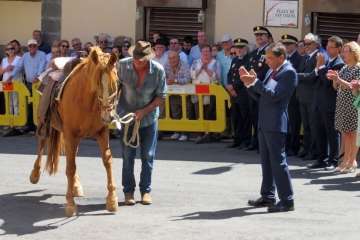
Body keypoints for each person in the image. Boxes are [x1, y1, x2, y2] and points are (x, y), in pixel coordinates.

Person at [240, 43, 296, 213]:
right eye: (267, 58)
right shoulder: (275, 71)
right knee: (266, 161)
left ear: (281, 57)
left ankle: (287, 200)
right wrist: (249, 83)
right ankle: (268, 196)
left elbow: (274, 96)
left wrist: (255, 82)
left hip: (275, 123)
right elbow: (262, 96)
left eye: (270, 58)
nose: (267, 61)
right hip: (265, 121)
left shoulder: (288, 73)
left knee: (278, 162)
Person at [117, 40, 167, 205]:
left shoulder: (158, 70)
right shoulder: (121, 66)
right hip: (126, 118)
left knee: (148, 156)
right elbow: (113, 88)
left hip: (148, 119)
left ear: (148, 58)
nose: (137, 61)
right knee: (127, 156)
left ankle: (145, 191)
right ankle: (128, 191)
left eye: (141, 58)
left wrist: (144, 111)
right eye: (135, 57)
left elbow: (161, 96)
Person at [306, 36, 345, 170]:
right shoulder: (327, 61)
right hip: (318, 102)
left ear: (339, 49)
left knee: (332, 134)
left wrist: (321, 65)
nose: (327, 49)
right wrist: (320, 67)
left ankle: (334, 160)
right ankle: (321, 158)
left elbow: (327, 82)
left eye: (331, 47)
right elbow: (315, 78)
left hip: (330, 104)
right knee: (319, 132)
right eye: (327, 46)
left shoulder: (339, 64)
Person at [327, 41, 360, 174]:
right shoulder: (345, 67)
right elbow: (336, 87)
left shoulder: (358, 68)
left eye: (347, 51)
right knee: (345, 134)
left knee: (352, 134)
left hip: (352, 104)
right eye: (344, 51)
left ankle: (352, 161)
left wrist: (339, 80)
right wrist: (335, 80)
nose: (344, 54)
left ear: (354, 53)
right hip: (342, 104)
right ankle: (346, 160)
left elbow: (354, 87)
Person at [246, 26, 272, 151]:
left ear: (268, 37)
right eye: (257, 35)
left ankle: (263, 144)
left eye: (262, 35)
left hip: (262, 89)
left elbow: (267, 72)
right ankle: (255, 141)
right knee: (254, 117)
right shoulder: (253, 53)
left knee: (263, 119)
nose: (259, 37)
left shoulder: (270, 52)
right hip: (252, 90)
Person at [296, 33, 322, 161]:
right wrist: (300, 75)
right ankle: (306, 149)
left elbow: (313, 76)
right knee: (305, 125)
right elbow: (303, 73)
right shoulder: (305, 57)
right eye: (304, 43)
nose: (305, 46)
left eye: (308, 43)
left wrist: (297, 75)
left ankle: (314, 151)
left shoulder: (319, 57)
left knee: (313, 126)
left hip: (312, 97)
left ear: (316, 44)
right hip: (302, 96)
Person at [12, 39, 46, 133]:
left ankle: (39, 125)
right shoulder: (25, 56)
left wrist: (38, 76)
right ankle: (30, 125)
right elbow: (19, 67)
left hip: (38, 83)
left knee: (39, 104)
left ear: (37, 46)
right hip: (28, 83)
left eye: (34, 46)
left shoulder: (42, 54)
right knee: (29, 105)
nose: (32, 48)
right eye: (30, 46)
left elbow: (42, 66)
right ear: (28, 47)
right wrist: (11, 76)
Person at [190, 44, 221, 144]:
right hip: (197, 91)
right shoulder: (195, 62)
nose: (206, 53)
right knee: (198, 112)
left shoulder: (215, 63)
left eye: (208, 51)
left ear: (211, 52)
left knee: (209, 112)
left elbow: (216, 77)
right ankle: (200, 134)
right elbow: (193, 75)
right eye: (204, 52)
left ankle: (209, 134)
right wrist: (201, 68)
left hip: (210, 92)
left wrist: (207, 68)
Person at [227, 38, 251, 149]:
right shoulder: (235, 60)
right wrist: (229, 85)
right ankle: (237, 139)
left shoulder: (248, 60)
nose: (239, 50)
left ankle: (246, 141)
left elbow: (243, 77)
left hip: (243, 93)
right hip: (233, 94)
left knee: (245, 118)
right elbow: (229, 74)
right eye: (237, 47)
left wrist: (234, 87)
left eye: (241, 47)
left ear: (246, 48)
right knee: (235, 118)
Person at [281, 34, 303, 157]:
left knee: (294, 123)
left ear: (295, 45)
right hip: (284, 95)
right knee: (285, 122)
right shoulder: (284, 59)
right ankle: (286, 145)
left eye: (288, 44)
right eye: (284, 44)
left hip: (294, 96)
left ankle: (293, 147)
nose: (286, 46)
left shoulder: (299, 58)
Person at [165, 50, 191, 141]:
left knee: (185, 113)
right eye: (170, 58)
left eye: (174, 58)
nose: (172, 60)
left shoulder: (185, 65)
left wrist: (175, 81)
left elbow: (187, 79)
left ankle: (185, 133)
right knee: (175, 113)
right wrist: (167, 81)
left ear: (178, 58)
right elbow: (162, 77)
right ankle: (177, 131)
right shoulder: (167, 65)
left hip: (184, 93)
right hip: (173, 93)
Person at [0, 42, 23, 136]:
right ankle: (10, 123)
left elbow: (21, 69)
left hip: (16, 82)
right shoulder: (4, 60)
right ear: (6, 51)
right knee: (9, 103)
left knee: (16, 102)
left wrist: (13, 67)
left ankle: (17, 123)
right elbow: (0, 72)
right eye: (9, 49)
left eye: (12, 48)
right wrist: (6, 69)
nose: (11, 50)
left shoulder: (19, 58)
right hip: (6, 83)